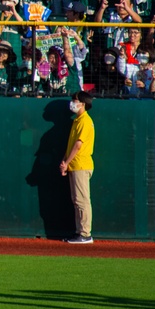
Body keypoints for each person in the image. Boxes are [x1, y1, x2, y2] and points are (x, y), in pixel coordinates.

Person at [60, 91, 95, 244]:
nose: (72, 103)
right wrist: (65, 162)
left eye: (75, 100)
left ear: (83, 103)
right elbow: (71, 145)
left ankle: (85, 234)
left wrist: (66, 163)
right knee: (77, 200)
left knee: (82, 200)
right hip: (74, 165)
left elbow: (78, 145)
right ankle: (79, 232)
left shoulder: (85, 121)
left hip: (81, 164)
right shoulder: (77, 120)